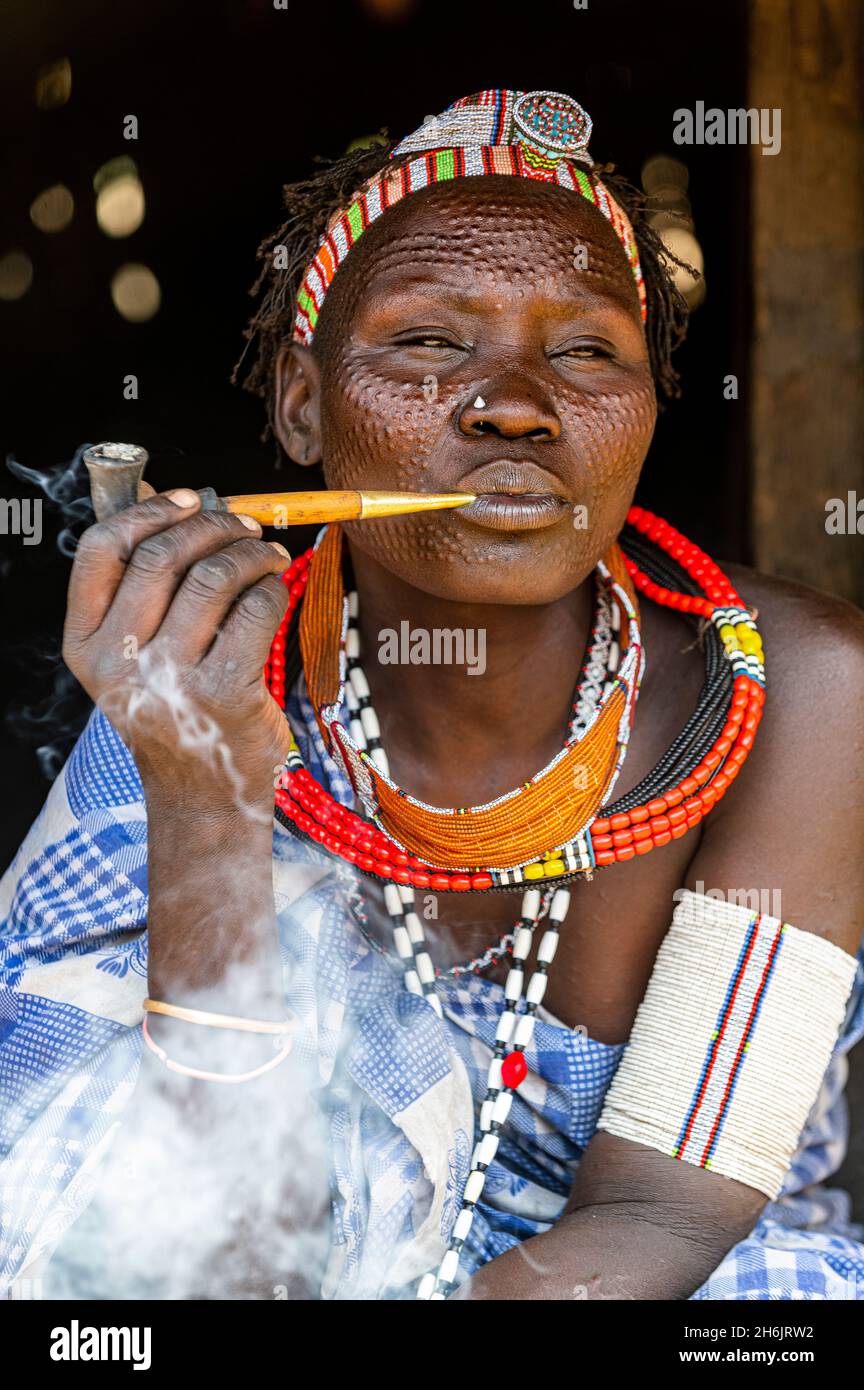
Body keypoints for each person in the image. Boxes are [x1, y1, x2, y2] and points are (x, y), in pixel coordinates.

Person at [2, 89, 864, 1302]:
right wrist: (206, 786)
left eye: (586, 351)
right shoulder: (190, 677)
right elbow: (207, 1253)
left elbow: (669, 1217)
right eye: (425, 343)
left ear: (647, 419)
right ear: (304, 407)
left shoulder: (801, 692)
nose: (514, 403)